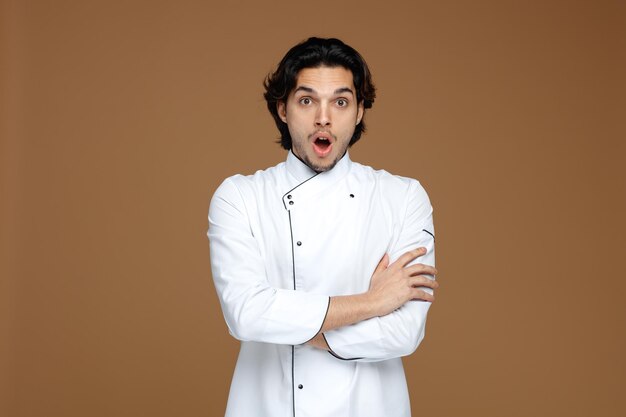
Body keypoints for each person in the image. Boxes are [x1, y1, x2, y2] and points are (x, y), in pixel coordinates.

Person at [207, 37, 438, 417]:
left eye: (341, 102)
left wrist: (287, 323)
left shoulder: (402, 197)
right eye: (307, 100)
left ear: (360, 111)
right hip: (268, 406)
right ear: (282, 108)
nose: (323, 118)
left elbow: (405, 332)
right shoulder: (240, 196)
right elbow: (246, 314)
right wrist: (373, 303)